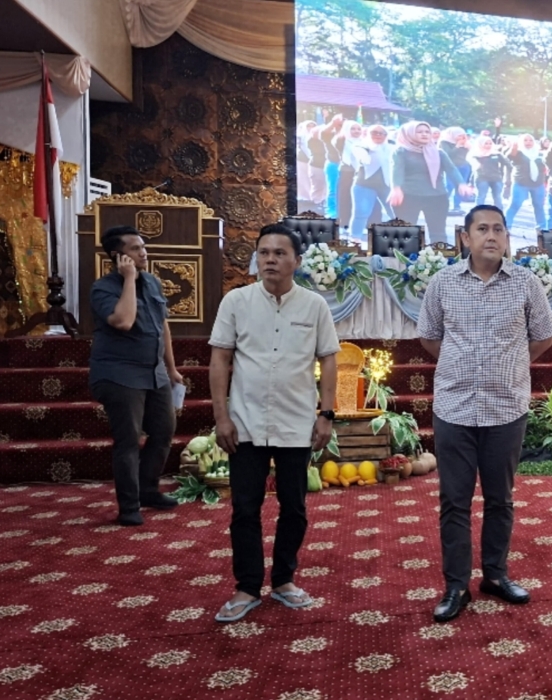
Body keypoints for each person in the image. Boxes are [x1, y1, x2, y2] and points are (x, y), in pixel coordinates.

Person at [418, 205, 552, 623]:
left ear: (507, 237)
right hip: (454, 407)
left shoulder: (525, 283)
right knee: (454, 502)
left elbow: (543, 337)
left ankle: (495, 575)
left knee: (500, 499)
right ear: (466, 238)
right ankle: (456, 586)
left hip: (505, 407)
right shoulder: (443, 282)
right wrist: (460, 365)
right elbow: (429, 337)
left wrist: (510, 366)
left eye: (498, 229)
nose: (491, 236)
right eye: (482, 229)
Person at [208, 224, 340, 623]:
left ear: (296, 261)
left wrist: (326, 414)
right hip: (246, 422)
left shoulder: (314, 306)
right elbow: (220, 359)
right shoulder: (236, 301)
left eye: (279, 253)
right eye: (264, 252)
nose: (270, 260)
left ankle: (283, 580)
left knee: (294, 507)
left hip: (296, 422)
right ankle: (247, 586)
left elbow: (328, 359)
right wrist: (221, 417)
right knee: (245, 508)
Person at [89, 225, 183, 526]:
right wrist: (129, 278)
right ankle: (129, 506)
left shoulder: (153, 282)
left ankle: (148, 490)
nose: (144, 252)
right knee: (128, 440)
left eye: (143, 246)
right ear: (119, 256)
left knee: (164, 431)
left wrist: (171, 368)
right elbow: (124, 321)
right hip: (119, 374)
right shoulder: (103, 288)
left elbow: (162, 325)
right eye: (135, 248)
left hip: (154, 372)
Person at [389, 121, 471, 244]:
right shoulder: (401, 151)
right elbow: (397, 170)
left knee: (438, 234)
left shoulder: (439, 152)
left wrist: (461, 183)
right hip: (408, 196)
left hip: (437, 196)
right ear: (409, 133)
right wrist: (396, 188)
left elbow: (451, 169)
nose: (424, 134)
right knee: (405, 233)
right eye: (419, 132)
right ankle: (406, 257)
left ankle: (439, 256)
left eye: (427, 132)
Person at [348, 124, 394, 241]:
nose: (378, 135)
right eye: (374, 132)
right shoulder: (360, 146)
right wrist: (371, 148)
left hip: (387, 185)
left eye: (381, 133)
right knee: (361, 213)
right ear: (368, 134)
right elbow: (365, 159)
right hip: (364, 185)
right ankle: (355, 239)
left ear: (386, 135)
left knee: (395, 213)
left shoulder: (392, 148)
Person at [504, 133, 548, 234]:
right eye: (525, 140)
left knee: (539, 206)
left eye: (530, 140)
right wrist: (513, 147)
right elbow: (510, 156)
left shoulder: (540, 154)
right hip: (521, 183)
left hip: (538, 184)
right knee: (515, 204)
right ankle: (506, 226)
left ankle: (541, 227)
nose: (528, 142)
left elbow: (547, 164)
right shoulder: (518, 153)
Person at [469, 136, 512, 208]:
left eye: (490, 143)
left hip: (496, 178)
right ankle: (478, 213)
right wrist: (471, 181)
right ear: (480, 144)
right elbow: (474, 169)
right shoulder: (476, 155)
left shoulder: (496, 154)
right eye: (486, 143)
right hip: (482, 178)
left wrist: (510, 173)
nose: (488, 145)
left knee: (497, 197)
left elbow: (508, 164)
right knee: (481, 196)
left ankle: (499, 213)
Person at [439, 126, 473, 215]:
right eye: (459, 135)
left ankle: (457, 206)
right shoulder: (444, 142)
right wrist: (457, 146)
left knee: (461, 187)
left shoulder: (465, 143)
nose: (461, 137)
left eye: (462, 135)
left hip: (464, 166)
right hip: (451, 167)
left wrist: (466, 145)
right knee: (449, 186)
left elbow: (469, 154)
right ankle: (442, 206)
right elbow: (448, 154)